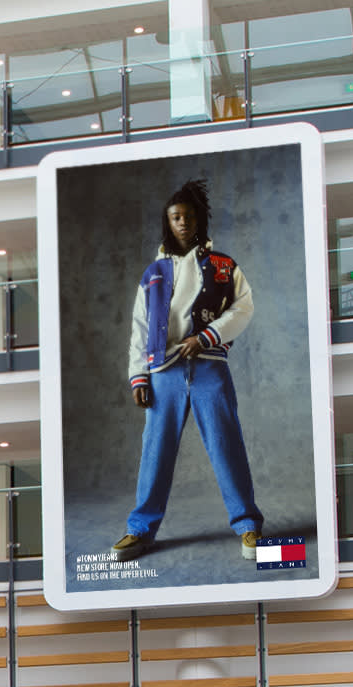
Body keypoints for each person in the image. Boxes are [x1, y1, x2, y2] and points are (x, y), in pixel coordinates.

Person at [112, 178, 267, 559]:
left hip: (209, 367)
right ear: (168, 222)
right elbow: (140, 327)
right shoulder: (153, 273)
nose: (183, 223)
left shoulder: (223, 266)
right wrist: (139, 376)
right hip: (163, 372)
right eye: (176, 217)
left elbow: (243, 307)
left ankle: (248, 525)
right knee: (156, 451)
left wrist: (208, 336)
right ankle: (141, 529)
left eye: (188, 216)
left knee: (226, 445)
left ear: (199, 219)